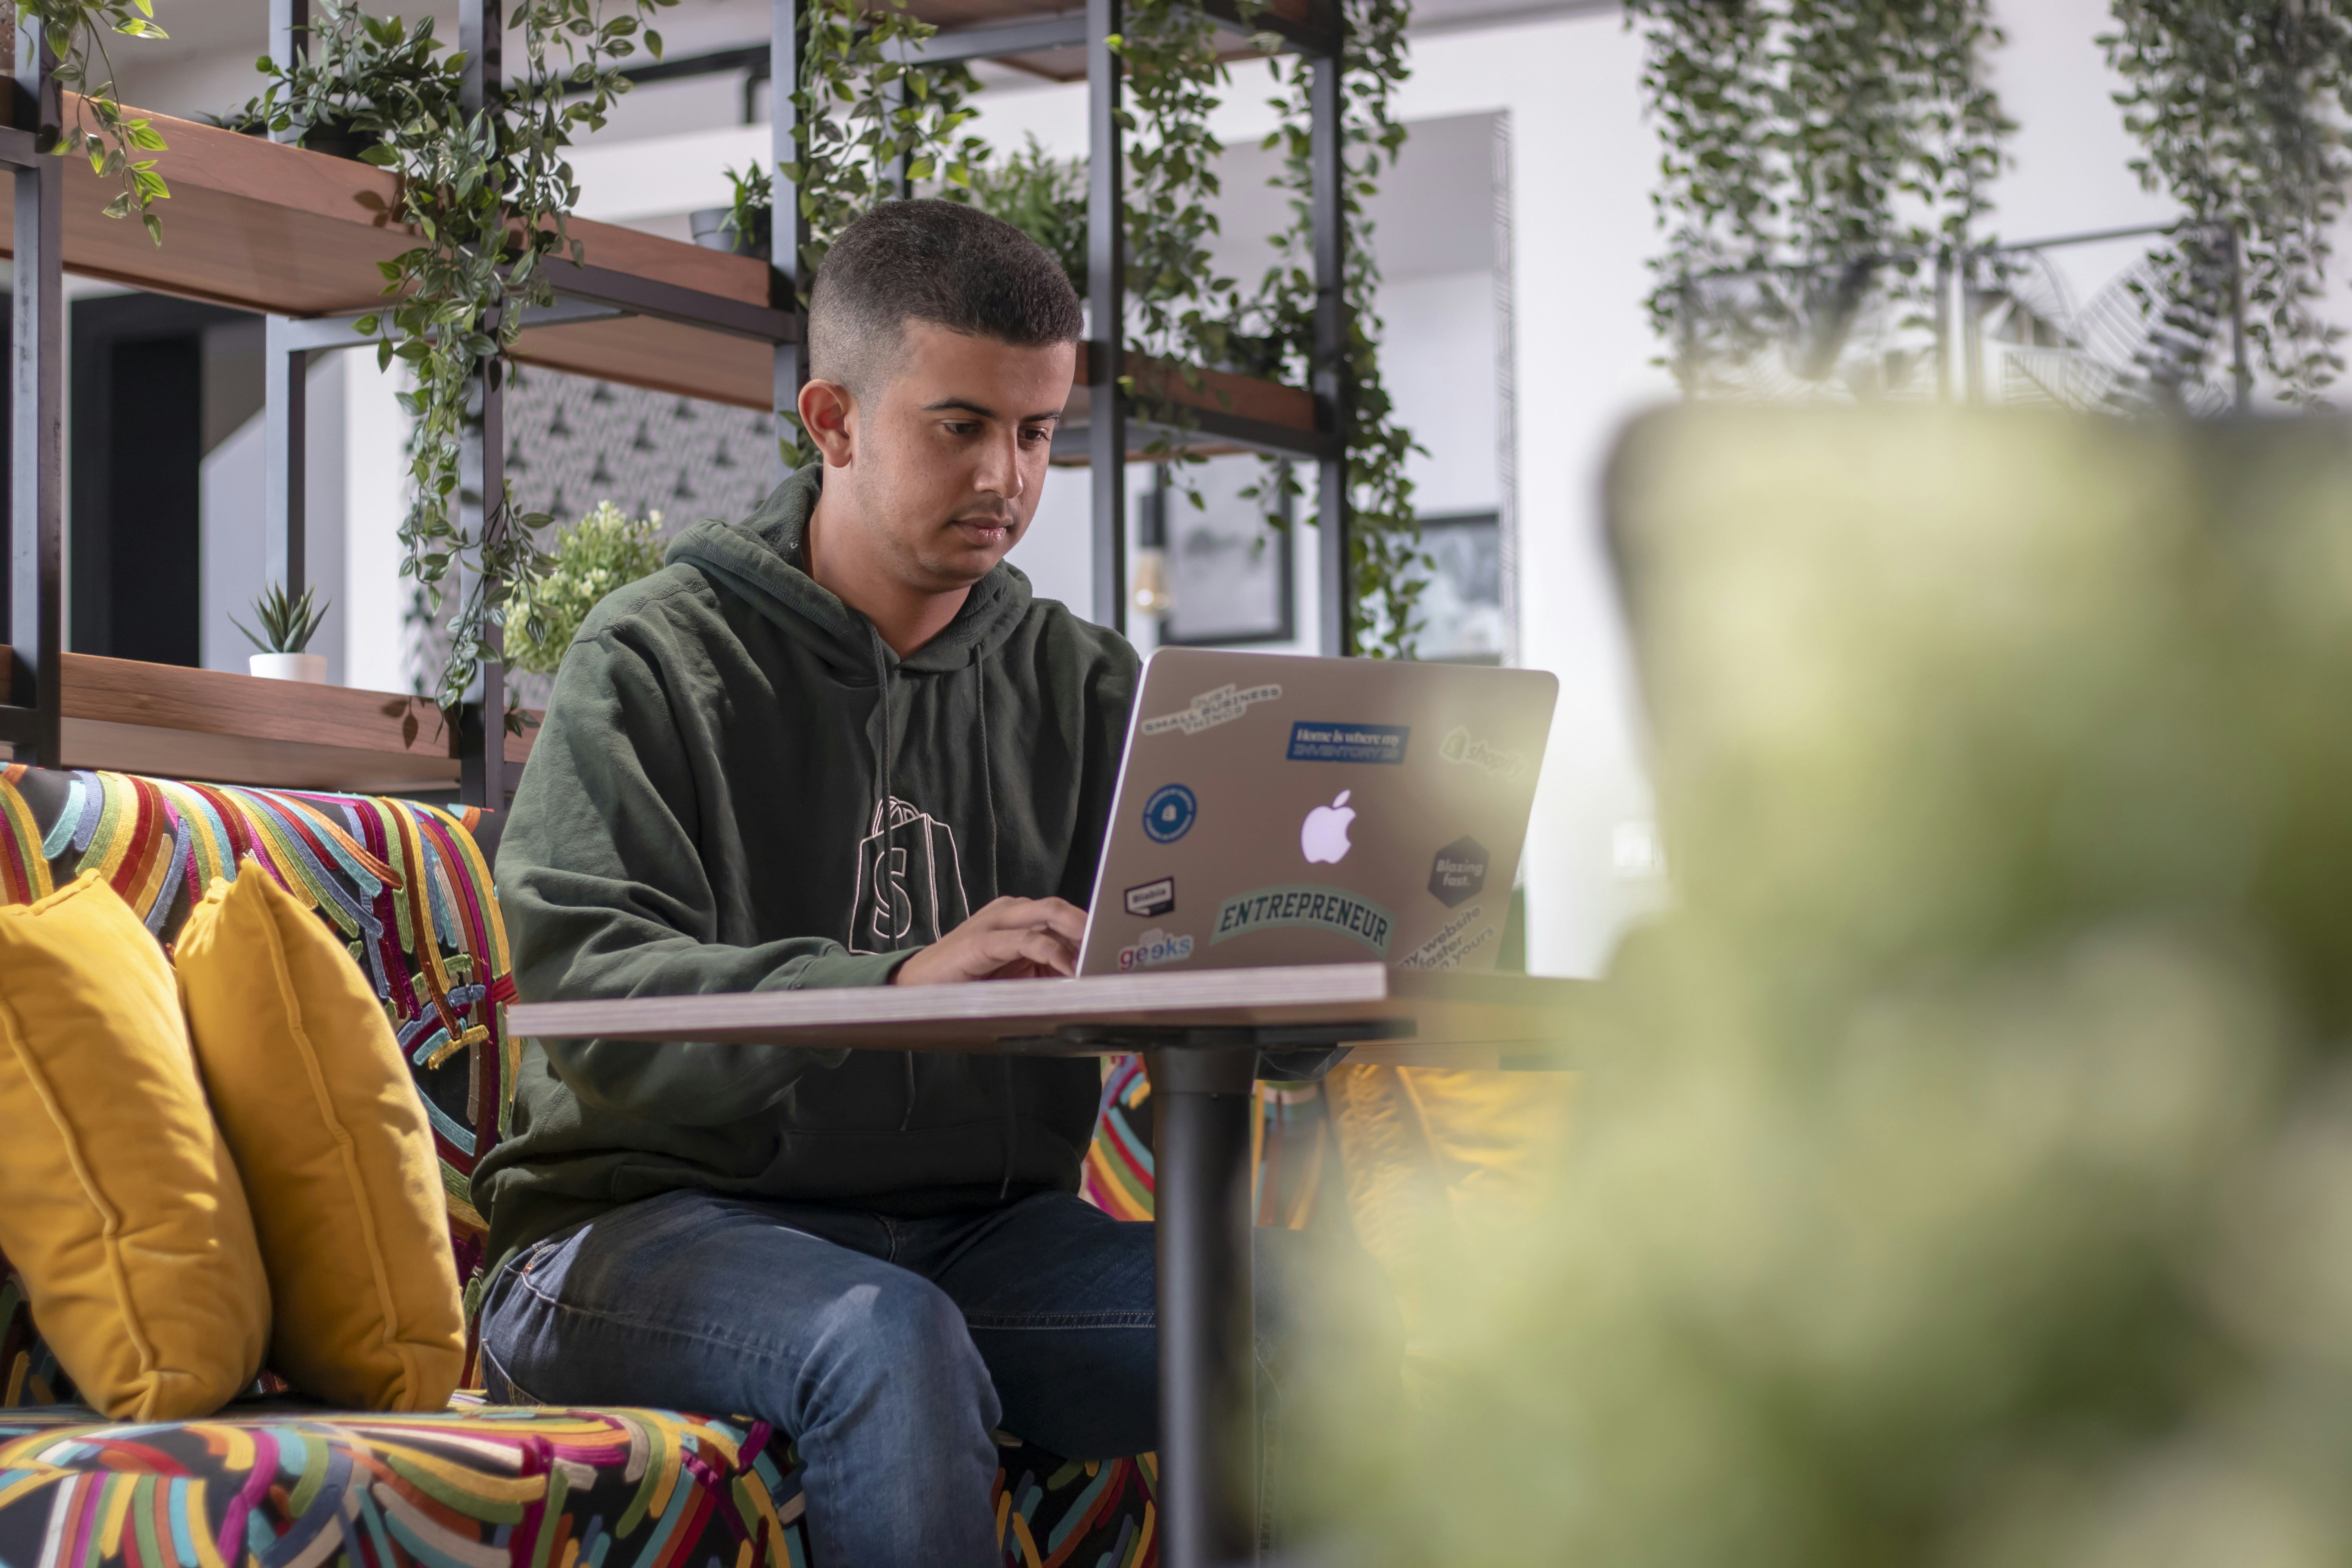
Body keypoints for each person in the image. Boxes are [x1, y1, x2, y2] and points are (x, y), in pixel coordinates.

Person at [473, 200, 1346, 1564]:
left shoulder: (1092, 686)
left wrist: (1338, 964)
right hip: (633, 1239)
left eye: (1040, 430)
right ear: (833, 419)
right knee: (886, 1339)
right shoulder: (653, 659)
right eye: (962, 426)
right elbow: (588, 999)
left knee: (1298, 1305)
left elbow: (1223, 981)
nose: (1008, 474)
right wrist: (890, 984)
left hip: (977, 1243)